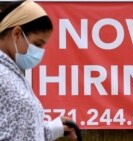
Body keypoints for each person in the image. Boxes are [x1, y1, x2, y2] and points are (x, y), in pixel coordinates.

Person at [0, 0, 78, 140]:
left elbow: (21, 131)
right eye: (37, 44)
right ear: (17, 34)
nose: (41, 52)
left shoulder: (13, 73)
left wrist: (55, 128)